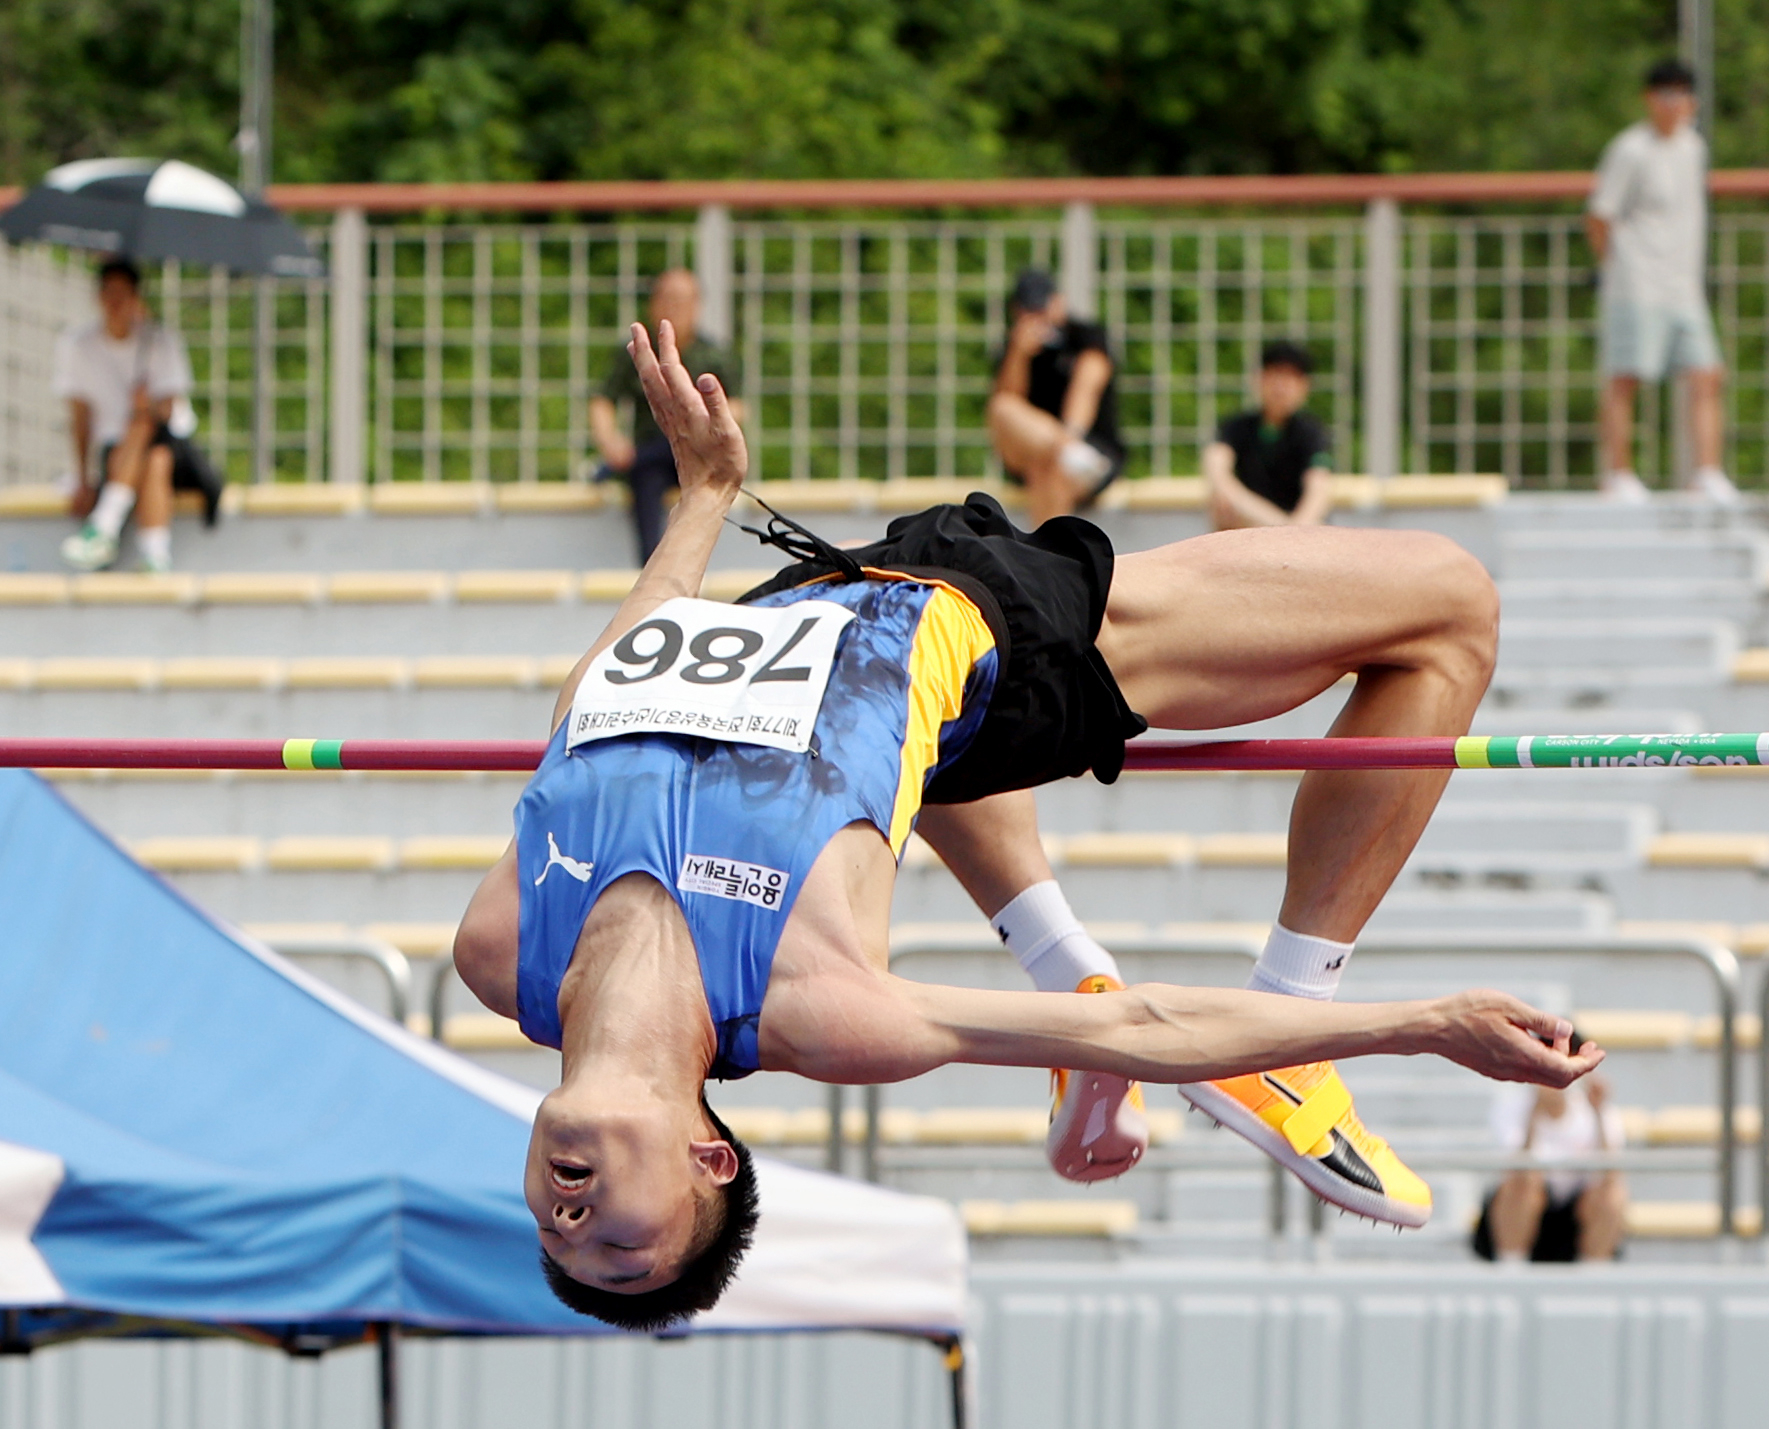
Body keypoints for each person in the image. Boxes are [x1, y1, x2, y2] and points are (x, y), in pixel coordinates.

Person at [450, 317, 1601, 1328]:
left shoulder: (503, 950)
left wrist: (702, 503)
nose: (571, 1224)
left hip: (815, 596)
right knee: (1451, 605)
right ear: (709, 1157)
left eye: (558, 1244)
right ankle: (1293, 1019)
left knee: (913, 761)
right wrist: (1430, 1020)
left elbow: (596, 708)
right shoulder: (821, 1008)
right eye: (624, 1248)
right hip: (999, 630)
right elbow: (1143, 1030)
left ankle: (1065, 954)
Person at [1587, 59, 1736, 505]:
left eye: (1683, 96)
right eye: (1665, 95)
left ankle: (1707, 471)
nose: (1675, 106)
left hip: (1683, 284)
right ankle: (1618, 474)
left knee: (1707, 374)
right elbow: (1599, 215)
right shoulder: (1630, 149)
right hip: (1637, 281)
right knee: (1625, 377)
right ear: (1649, 99)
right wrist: (1613, 266)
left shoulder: (1694, 147)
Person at [57, 258, 218, 573]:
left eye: (123, 294)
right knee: (155, 459)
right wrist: (82, 478)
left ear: (135, 297)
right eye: (110, 294)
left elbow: (168, 411)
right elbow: (81, 419)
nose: (116, 303)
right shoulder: (78, 346)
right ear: (99, 296)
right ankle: (156, 555)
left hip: (171, 442)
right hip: (124, 455)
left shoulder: (159, 340)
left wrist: (146, 406)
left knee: (145, 427)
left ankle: (105, 525)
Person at [589, 268, 743, 564]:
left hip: (701, 451)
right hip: (654, 459)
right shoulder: (637, 352)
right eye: (668, 299)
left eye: (683, 301)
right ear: (654, 304)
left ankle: (619, 465)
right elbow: (603, 400)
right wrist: (610, 440)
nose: (675, 308)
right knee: (647, 473)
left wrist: (711, 422)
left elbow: (736, 408)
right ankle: (650, 566)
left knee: (668, 447)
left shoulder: (714, 355)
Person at [989, 270, 1125, 527]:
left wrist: (1069, 435)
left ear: (1058, 303)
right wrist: (1019, 354)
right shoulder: (1012, 348)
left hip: (1088, 448)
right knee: (1004, 407)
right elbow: (1008, 410)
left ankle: (1066, 451)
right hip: (1053, 454)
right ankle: (1069, 453)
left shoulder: (1085, 336)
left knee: (1049, 472)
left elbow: (1087, 387)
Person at [1475, 1053, 1626, 1263]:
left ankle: (1594, 1275)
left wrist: (1598, 1113)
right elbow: (1516, 1172)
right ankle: (1511, 1268)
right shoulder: (1512, 1107)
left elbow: (1610, 1177)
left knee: (1612, 1195)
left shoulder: (1597, 1109)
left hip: (1574, 1218)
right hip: (1524, 1215)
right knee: (1523, 1185)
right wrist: (1534, 1113)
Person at [1205, 341, 1334, 530]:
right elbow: (1217, 473)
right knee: (1221, 506)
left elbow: (1318, 489)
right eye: (1276, 375)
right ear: (1261, 379)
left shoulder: (1312, 432)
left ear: (1304, 386)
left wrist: (1294, 532)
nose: (1281, 387)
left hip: (1298, 531)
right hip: (1253, 528)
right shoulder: (1235, 427)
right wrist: (1282, 529)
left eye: (1290, 378)